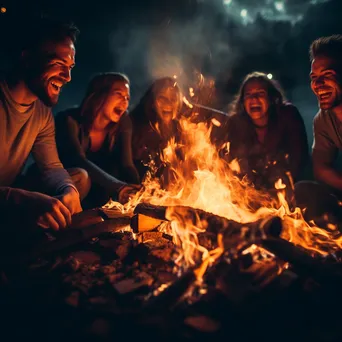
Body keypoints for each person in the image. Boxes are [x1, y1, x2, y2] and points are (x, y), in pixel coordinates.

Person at [0, 17, 88, 233]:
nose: (67, 77)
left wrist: (69, 190)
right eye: (59, 64)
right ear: (27, 58)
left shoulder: (42, 113)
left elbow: (51, 167)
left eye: (70, 67)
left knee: (78, 180)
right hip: (8, 199)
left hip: (9, 197)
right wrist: (25, 200)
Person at [55, 72, 140, 207]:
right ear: (100, 94)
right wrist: (119, 187)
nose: (125, 101)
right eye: (119, 94)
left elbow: (127, 164)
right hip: (61, 185)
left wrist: (139, 190)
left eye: (127, 97)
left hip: (98, 191)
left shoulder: (123, 122)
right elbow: (77, 159)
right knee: (82, 176)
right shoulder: (68, 120)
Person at [220, 72, 309, 197]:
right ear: (243, 102)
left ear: (271, 99)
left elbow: (299, 158)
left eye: (260, 93)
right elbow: (235, 164)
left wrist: (279, 188)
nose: (254, 99)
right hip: (252, 195)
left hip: (289, 191)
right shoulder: (237, 124)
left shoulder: (288, 115)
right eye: (248, 95)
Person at [295, 35, 342, 228]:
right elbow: (321, 168)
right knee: (303, 191)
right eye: (314, 78)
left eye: (328, 75)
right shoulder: (323, 120)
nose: (318, 84)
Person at [130, 77, 183, 181]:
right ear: (152, 102)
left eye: (173, 99)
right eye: (162, 98)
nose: (168, 103)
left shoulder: (181, 127)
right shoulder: (134, 125)